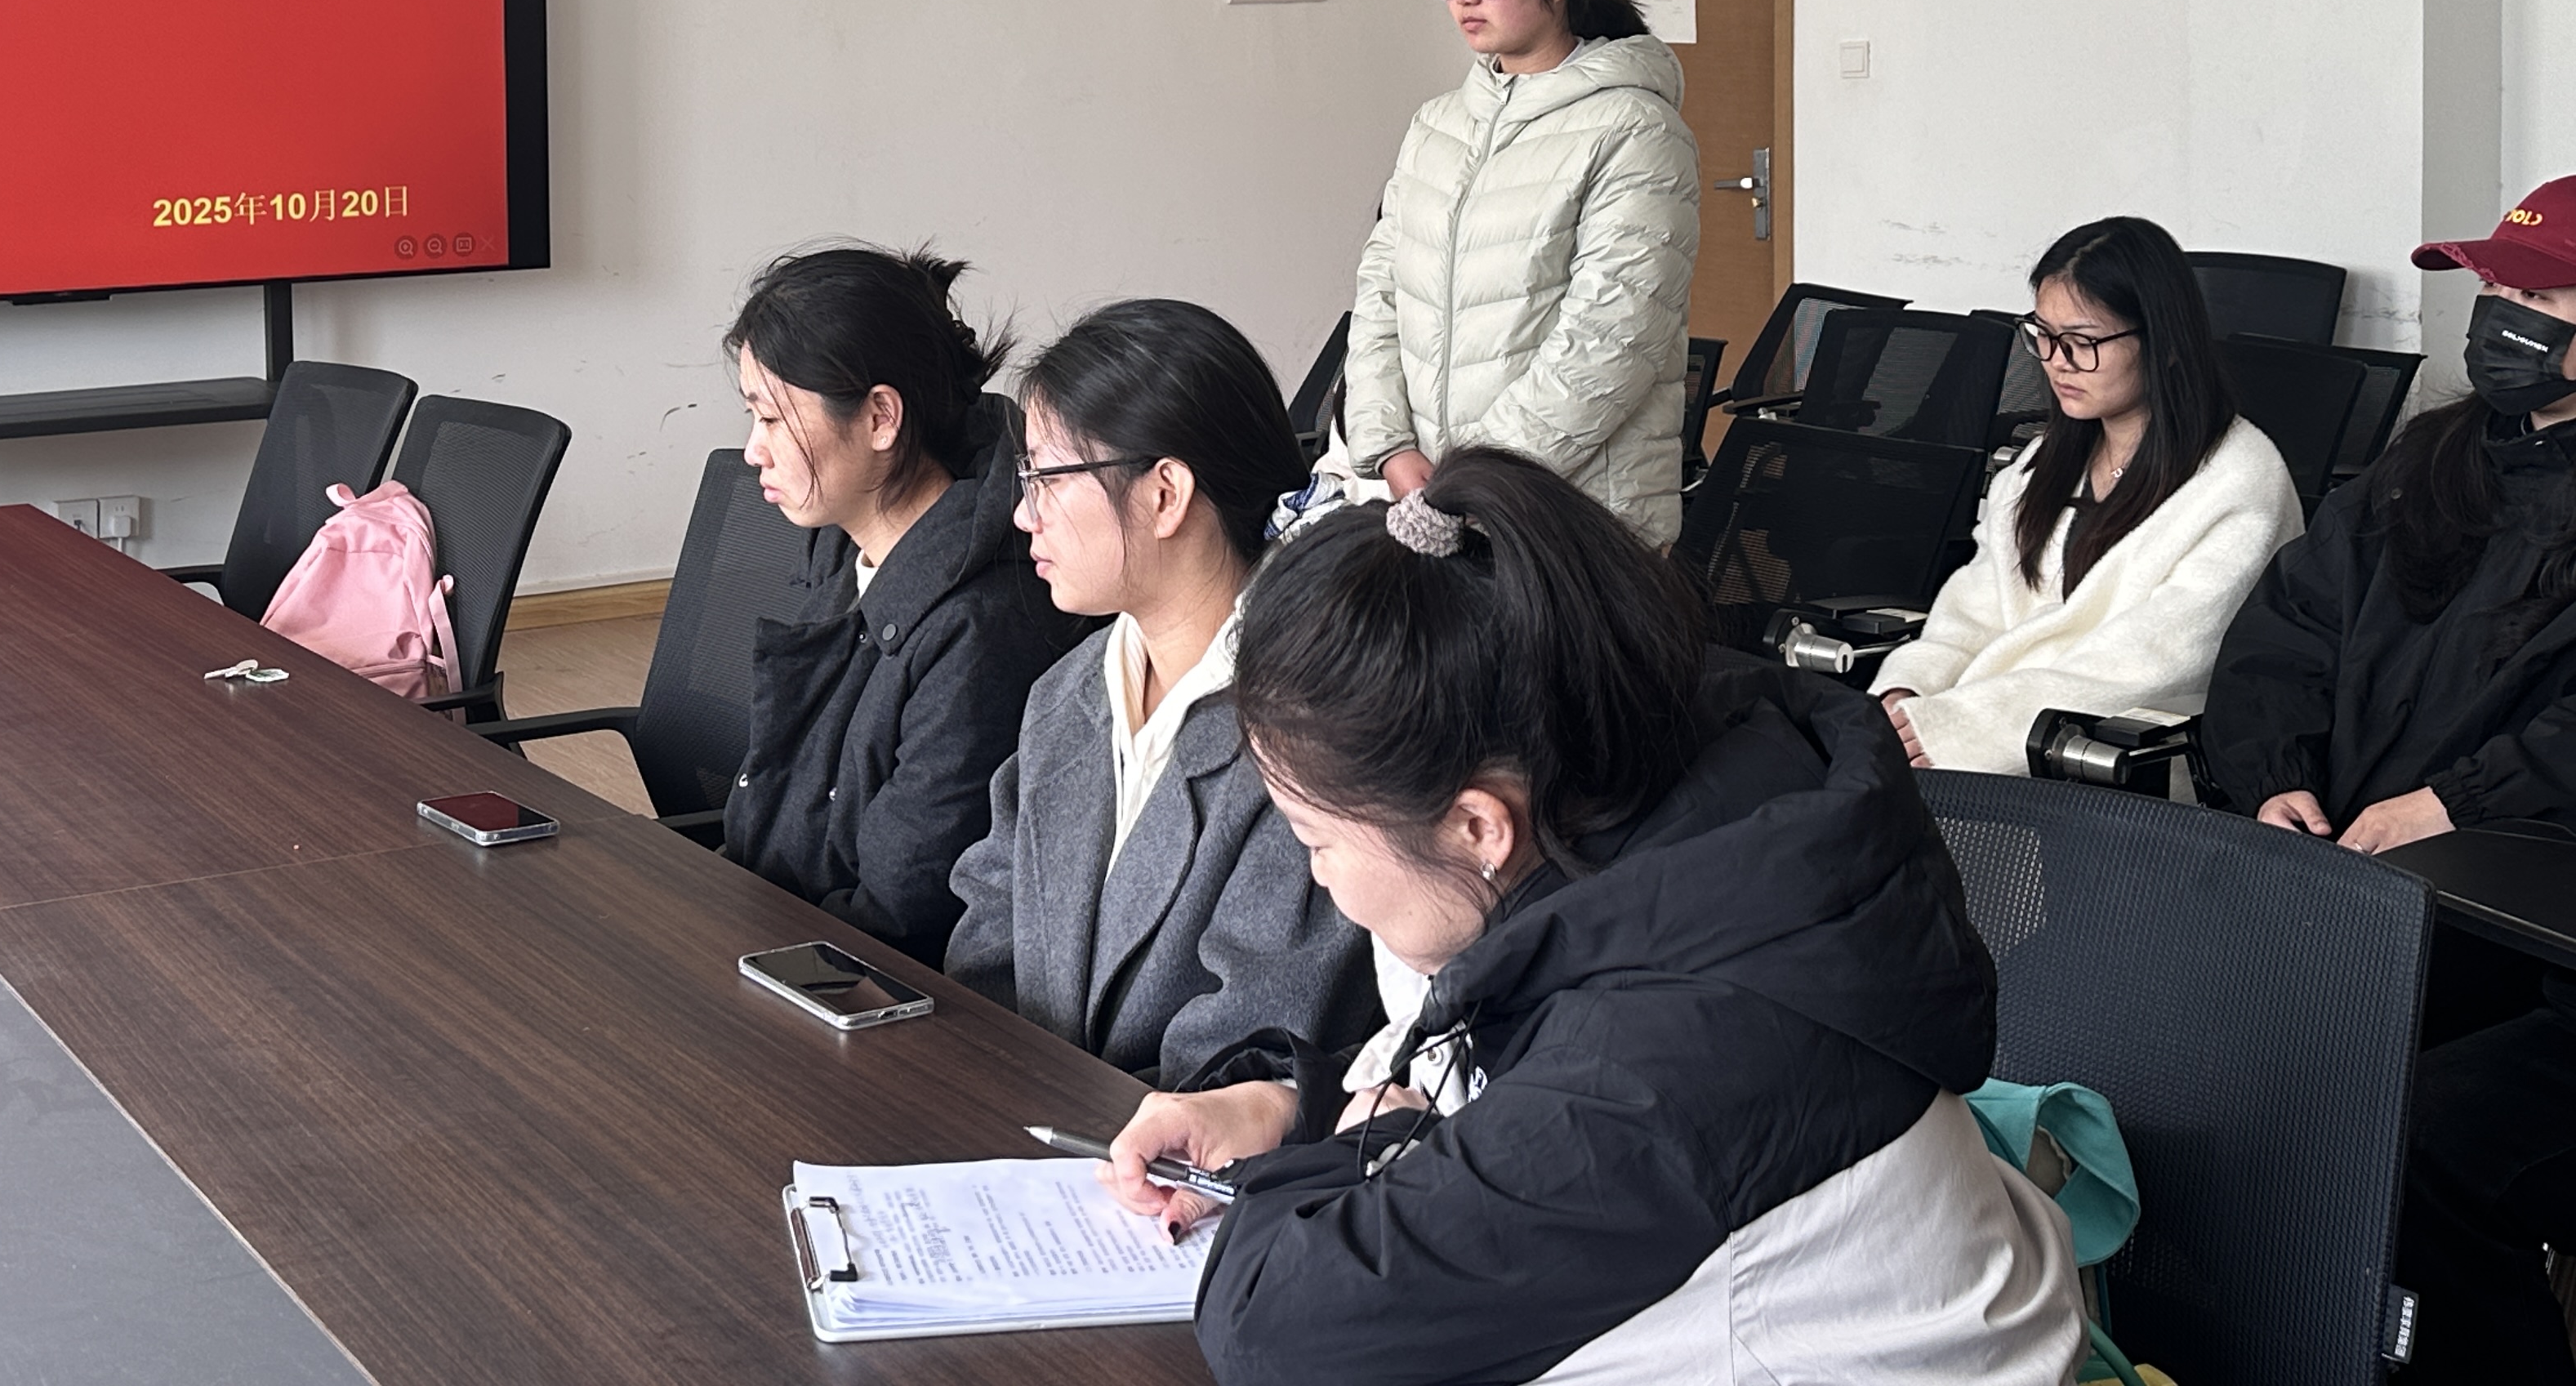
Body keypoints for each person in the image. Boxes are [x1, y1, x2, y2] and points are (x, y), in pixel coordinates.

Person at [1100, 448, 2082, 1385]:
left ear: (1478, 826)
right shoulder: (1686, 812)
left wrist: (1352, 1152)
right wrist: (1291, 1109)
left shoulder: (1655, 1067)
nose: (1322, 885)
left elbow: (1278, 1330)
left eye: (1316, 842)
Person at [2199, 184, 2576, 1381]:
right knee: (2191, 1062)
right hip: (2364, 886)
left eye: (2542, 292)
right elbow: (2288, 634)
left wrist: (2458, 804)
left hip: (2522, 927)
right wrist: (2274, 778)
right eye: (2496, 285)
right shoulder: (2432, 461)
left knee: (2409, 1141)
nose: (2503, 313)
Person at [946, 301, 1379, 1088]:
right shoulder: (1065, 694)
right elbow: (987, 938)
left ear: (1165, 494)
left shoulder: (1316, 727)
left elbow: (1248, 1051)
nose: (1022, 514)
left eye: (1045, 477)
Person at [719, 245, 1083, 961]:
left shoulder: (983, 627)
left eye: (772, 419)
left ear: (881, 417)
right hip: (773, 938)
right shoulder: (840, 545)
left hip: (855, 984)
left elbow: (897, 913)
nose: (753, 450)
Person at [1871, 216, 2302, 774]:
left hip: (2115, 763)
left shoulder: (2240, 480)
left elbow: (2154, 663)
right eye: (2044, 336)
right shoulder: (2044, 460)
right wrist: (1907, 691)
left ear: (2166, 343)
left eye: (2082, 342)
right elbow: (1974, 609)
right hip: (1982, 734)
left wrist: (1959, 730)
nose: (2057, 362)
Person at [1345, 0, 1698, 547]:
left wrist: (1472, 487)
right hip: (1432, 510)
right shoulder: (1436, 127)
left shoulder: (1634, 129)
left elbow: (1610, 341)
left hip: (1573, 523)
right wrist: (1391, 449)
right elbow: (1380, 298)